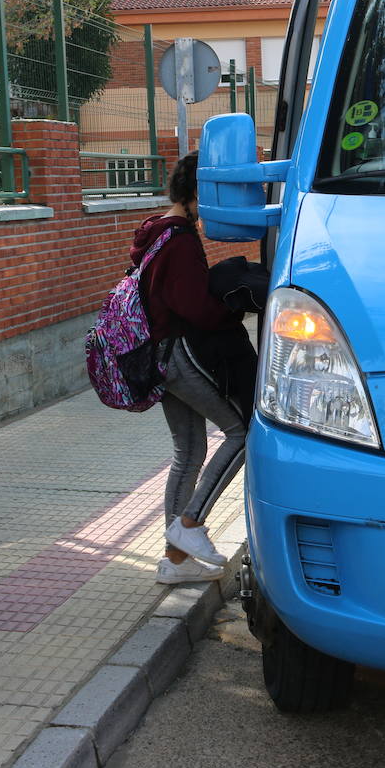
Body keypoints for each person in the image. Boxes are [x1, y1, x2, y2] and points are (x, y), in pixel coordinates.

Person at [131, 153, 255, 585]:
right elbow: (195, 309)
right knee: (242, 433)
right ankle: (190, 526)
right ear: (198, 193)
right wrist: (234, 309)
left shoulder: (155, 232)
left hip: (156, 358)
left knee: (188, 453)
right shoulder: (180, 240)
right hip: (179, 357)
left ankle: (174, 563)